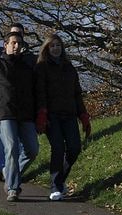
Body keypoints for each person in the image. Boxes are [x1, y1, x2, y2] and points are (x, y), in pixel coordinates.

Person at [0, 31, 39, 202]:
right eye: (13, 43)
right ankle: (13, 188)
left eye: (19, 43)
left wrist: (37, 115)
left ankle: (9, 172)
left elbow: (34, 93)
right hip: (5, 114)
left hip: (26, 115)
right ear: (5, 45)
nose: (16, 46)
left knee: (32, 149)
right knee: (12, 148)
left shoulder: (27, 68)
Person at [35, 33, 91, 201]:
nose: (55, 48)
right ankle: (55, 186)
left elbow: (77, 93)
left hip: (69, 114)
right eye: (52, 46)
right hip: (52, 115)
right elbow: (40, 92)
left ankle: (59, 180)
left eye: (58, 45)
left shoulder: (69, 67)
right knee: (58, 148)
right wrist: (42, 114)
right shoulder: (42, 67)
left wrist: (83, 115)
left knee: (74, 148)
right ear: (46, 48)